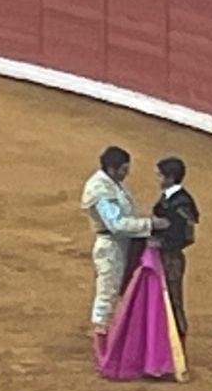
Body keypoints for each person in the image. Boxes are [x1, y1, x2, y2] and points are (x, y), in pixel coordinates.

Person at [80, 146, 163, 352]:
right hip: (111, 247)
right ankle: (102, 349)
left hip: (123, 245)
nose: (126, 173)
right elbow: (115, 224)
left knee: (119, 291)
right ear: (112, 168)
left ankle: (116, 339)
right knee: (107, 293)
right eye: (124, 169)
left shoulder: (111, 184)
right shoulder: (101, 189)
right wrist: (150, 225)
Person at [151, 156, 200, 340]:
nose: (157, 180)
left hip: (171, 258)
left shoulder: (182, 202)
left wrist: (162, 243)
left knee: (173, 301)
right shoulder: (170, 198)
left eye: (159, 176)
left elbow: (185, 235)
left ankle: (178, 344)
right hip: (164, 256)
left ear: (170, 178)